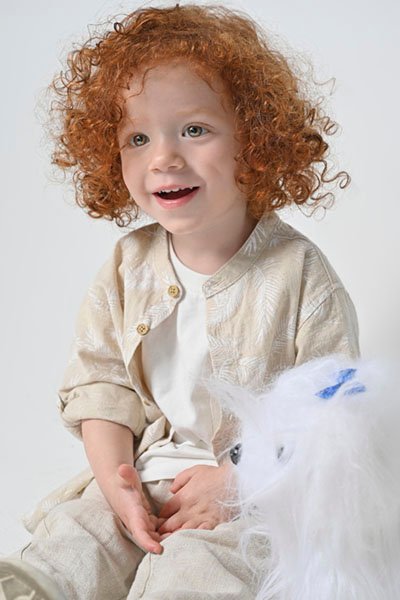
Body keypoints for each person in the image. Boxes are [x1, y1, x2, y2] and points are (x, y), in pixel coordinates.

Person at [0, 4, 359, 599]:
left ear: (255, 140)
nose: (163, 157)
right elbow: (102, 386)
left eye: (194, 129)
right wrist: (115, 484)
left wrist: (234, 479)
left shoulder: (298, 272)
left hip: (252, 494)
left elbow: (328, 411)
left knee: (197, 567)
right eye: (138, 138)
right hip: (144, 473)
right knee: (75, 538)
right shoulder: (127, 265)